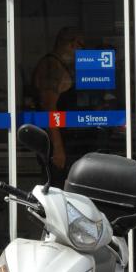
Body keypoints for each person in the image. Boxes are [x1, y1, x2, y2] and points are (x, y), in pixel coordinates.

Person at [31, 27, 85, 173]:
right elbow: (49, 108)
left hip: (64, 137)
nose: (82, 51)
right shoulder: (52, 67)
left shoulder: (60, 65)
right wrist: (58, 148)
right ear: (72, 44)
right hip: (55, 141)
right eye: (82, 46)